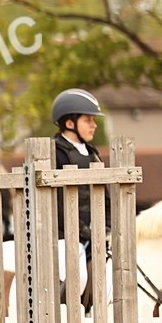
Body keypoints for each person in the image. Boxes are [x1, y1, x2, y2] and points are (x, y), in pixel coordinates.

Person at [51, 89, 111, 250]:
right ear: (70, 123)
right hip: (64, 235)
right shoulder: (55, 153)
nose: (94, 125)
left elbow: (106, 195)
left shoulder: (92, 153)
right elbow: (55, 202)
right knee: (81, 275)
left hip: (96, 231)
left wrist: (108, 223)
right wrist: (82, 229)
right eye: (88, 120)